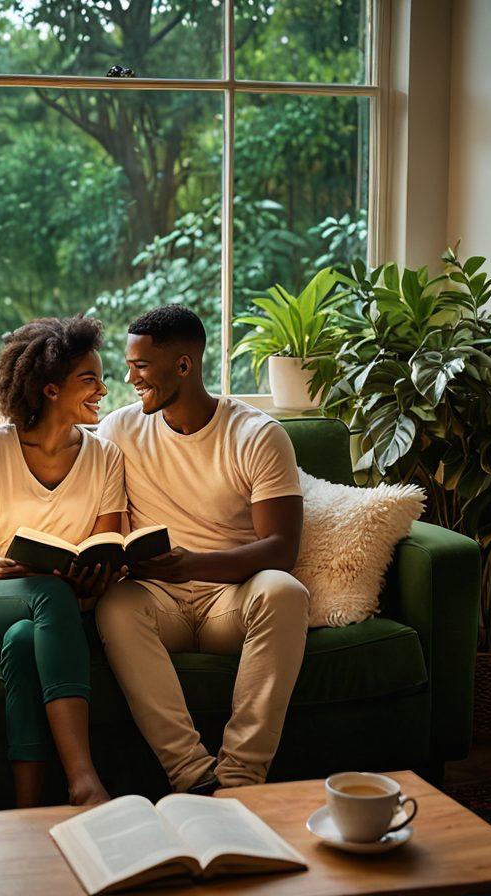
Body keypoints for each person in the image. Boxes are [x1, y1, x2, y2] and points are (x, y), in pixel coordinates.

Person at [95, 304, 309, 796]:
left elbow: (281, 548)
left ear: (184, 366)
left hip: (227, 602)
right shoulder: (120, 430)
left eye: (141, 367)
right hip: (157, 602)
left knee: (285, 592)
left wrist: (194, 564)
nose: (129, 378)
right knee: (116, 604)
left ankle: (239, 778)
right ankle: (193, 776)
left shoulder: (257, 435)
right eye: (128, 366)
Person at [0, 316, 124, 808]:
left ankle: (27, 810)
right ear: (49, 389)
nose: (103, 390)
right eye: (89, 380)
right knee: (46, 595)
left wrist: (96, 572)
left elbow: (107, 541)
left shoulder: (106, 456)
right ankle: (84, 779)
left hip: (61, 606)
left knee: (23, 642)